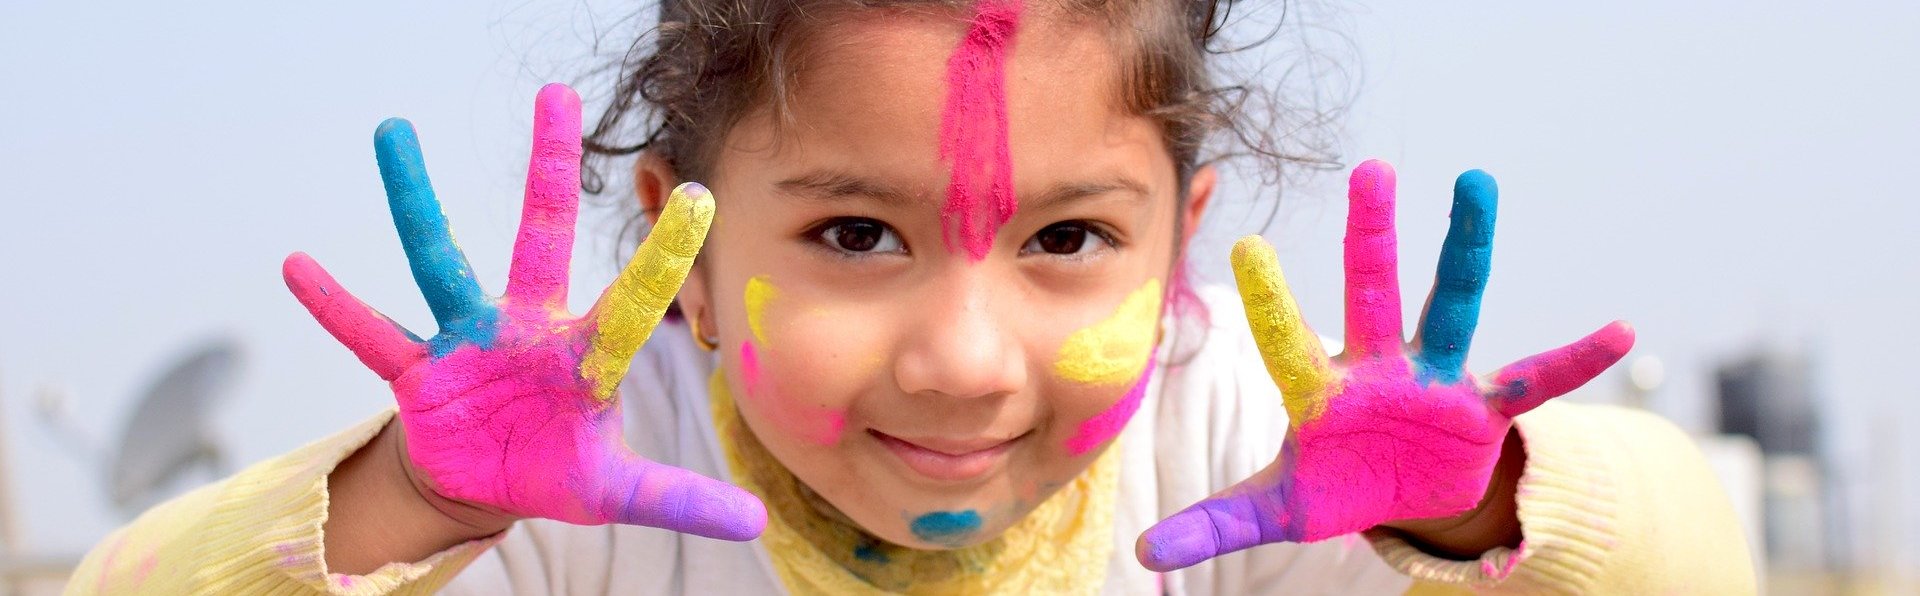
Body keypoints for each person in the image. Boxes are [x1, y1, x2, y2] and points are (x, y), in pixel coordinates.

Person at [67, 1, 1754, 594]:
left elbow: (1705, 556)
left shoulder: (1260, 448)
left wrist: (1475, 519)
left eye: (1070, 241)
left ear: (1183, 245)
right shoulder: (572, 473)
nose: (962, 361)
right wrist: (410, 503)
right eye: (857, 238)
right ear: (689, 251)